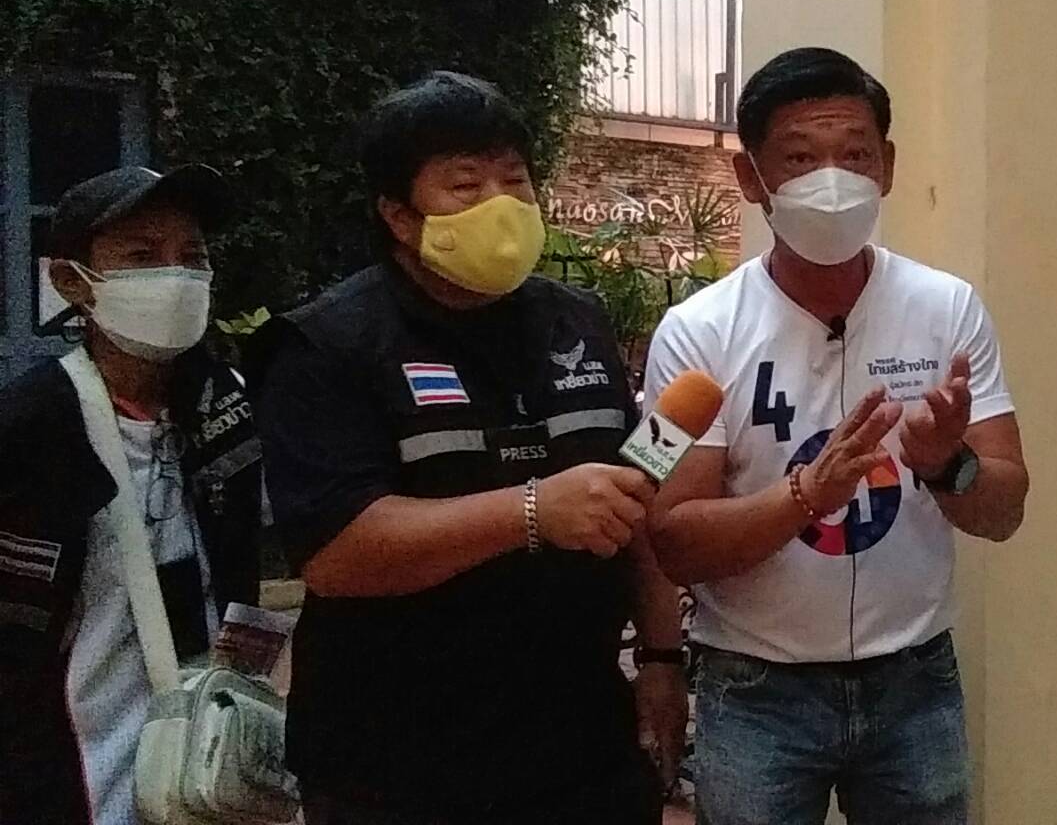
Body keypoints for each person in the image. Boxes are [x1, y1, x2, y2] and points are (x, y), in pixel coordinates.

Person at [249, 71, 686, 824]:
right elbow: (336, 554)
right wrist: (531, 511)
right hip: (396, 761)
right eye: (465, 185)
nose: (501, 205)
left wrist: (660, 655)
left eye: (514, 181)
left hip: (579, 744)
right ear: (398, 214)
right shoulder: (327, 344)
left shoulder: (576, 320)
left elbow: (633, 497)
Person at [644, 47, 1030, 825]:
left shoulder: (948, 309)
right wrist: (804, 496)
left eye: (855, 155)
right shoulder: (695, 334)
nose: (833, 180)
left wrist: (946, 465)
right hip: (757, 691)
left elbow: (1005, 509)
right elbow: (672, 539)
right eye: (799, 158)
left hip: (915, 684)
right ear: (751, 178)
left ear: (887, 167)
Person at [0, 165, 263, 825]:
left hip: (205, 769)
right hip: (70, 774)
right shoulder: (33, 428)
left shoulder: (223, 404)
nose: (175, 276)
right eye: (143, 256)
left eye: (192, 256)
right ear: (72, 282)